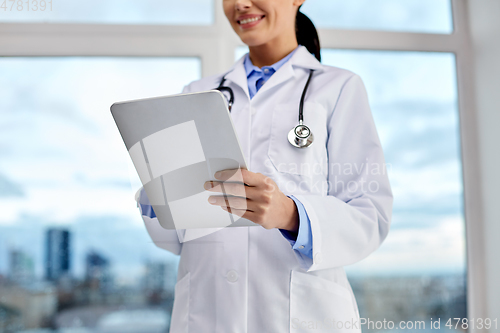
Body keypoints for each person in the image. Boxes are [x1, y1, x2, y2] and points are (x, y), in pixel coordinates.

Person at [136, 0, 393, 331]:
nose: (241, 4)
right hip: (206, 313)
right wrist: (161, 203)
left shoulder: (339, 88)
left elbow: (369, 215)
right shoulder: (197, 93)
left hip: (301, 315)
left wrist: (290, 214)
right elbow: (174, 240)